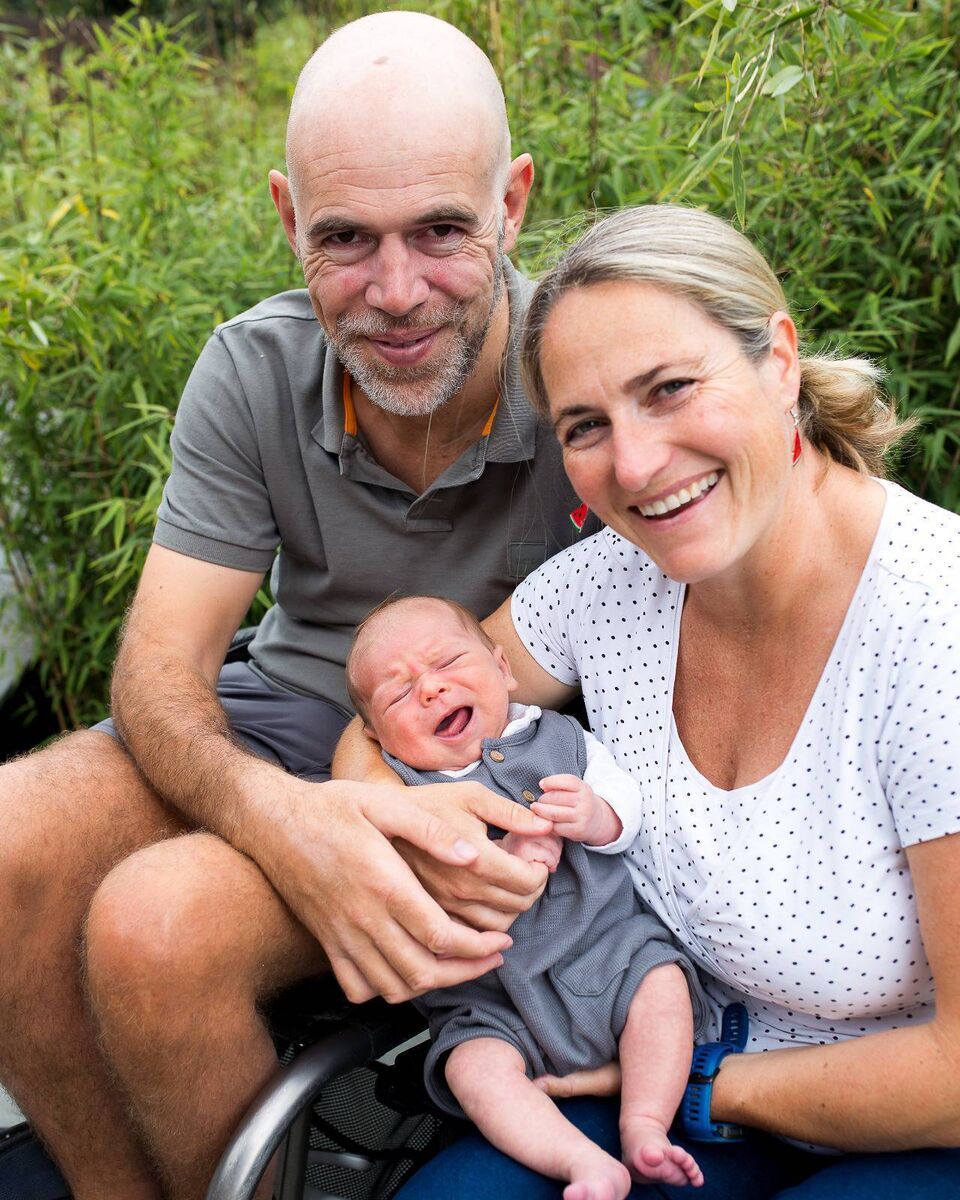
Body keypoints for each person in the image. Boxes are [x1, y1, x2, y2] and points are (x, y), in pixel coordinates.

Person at [0, 13, 598, 1200]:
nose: (394, 292)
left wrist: (368, 797)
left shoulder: (587, 372)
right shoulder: (253, 367)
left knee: (155, 931)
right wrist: (290, 819)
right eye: (344, 239)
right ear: (286, 219)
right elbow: (162, 670)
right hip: (280, 719)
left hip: (498, 765)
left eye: (440, 230)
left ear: (514, 203)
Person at [385, 205, 960, 1198]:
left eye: (671, 389)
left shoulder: (933, 623)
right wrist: (388, 813)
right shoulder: (606, 584)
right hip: (659, 1074)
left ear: (779, 359)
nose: (638, 464)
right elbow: (398, 709)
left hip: (905, 1120)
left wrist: (699, 1084)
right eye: (587, 427)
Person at [346, 594, 709, 1197]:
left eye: (447, 663)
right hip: (494, 1006)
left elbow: (627, 806)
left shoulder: (562, 739)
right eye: (399, 694)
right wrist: (497, 862)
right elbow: (403, 896)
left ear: (502, 669)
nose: (431, 690)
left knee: (663, 987)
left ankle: (645, 1124)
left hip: (613, 956)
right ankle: (579, 1161)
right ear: (374, 735)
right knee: (471, 1067)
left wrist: (597, 816)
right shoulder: (403, 795)